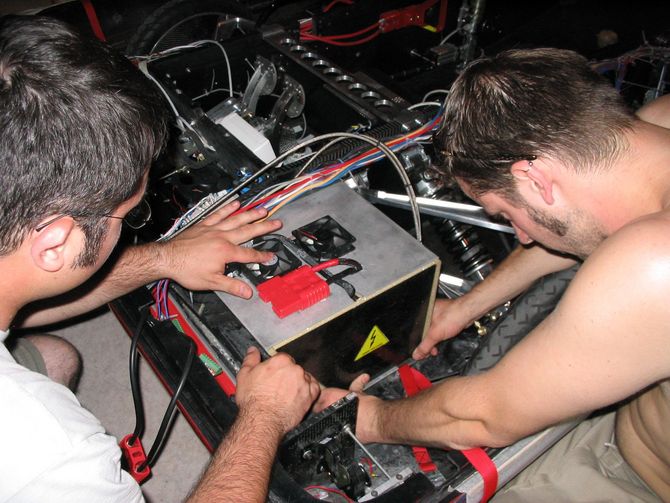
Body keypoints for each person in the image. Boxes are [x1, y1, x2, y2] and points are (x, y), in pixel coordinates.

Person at [316, 48, 670, 502]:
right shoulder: (654, 127)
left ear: (537, 180)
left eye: (505, 213)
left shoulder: (654, 266)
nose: (520, 237)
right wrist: (463, 308)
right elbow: (585, 225)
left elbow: (486, 417)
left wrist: (372, 420)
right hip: (633, 429)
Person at [0, 15, 320, 503]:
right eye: (130, 214)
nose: (132, 225)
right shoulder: (50, 449)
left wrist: (163, 258)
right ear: (55, 244)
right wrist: (265, 416)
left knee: (58, 357)